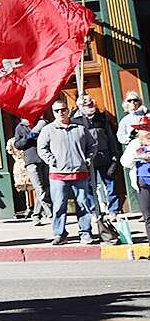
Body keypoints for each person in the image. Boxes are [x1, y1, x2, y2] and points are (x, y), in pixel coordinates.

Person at [38, 100, 98, 245]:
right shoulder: (48, 130)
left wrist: (88, 159)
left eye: (63, 109)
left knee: (83, 204)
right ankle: (60, 233)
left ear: (68, 110)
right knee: (59, 205)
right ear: (53, 113)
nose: (60, 113)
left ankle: (85, 232)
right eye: (56, 111)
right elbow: (42, 149)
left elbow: (93, 145)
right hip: (58, 174)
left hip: (80, 172)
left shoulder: (80, 128)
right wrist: (52, 161)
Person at [72, 94, 122, 214]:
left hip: (104, 156)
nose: (90, 104)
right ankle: (95, 212)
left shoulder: (102, 118)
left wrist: (115, 155)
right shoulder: (75, 121)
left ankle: (113, 211)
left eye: (91, 102)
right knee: (88, 186)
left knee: (110, 184)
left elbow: (110, 137)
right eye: (86, 103)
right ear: (80, 106)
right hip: (87, 159)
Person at [13, 116, 52, 226]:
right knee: (39, 188)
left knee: (46, 188)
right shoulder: (20, 127)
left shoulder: (43, 123)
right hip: (31, 160)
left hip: (45, 158)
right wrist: (29, 137)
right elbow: (18, 145)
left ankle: (36, 215)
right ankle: (51, 215)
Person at [119, 115, 150, 238]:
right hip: (143, 182)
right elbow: (124, 162)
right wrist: (138, 157)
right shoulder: (135, 144)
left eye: (147, 127)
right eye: (142, 128)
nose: (145, 130)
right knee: (148, 217)